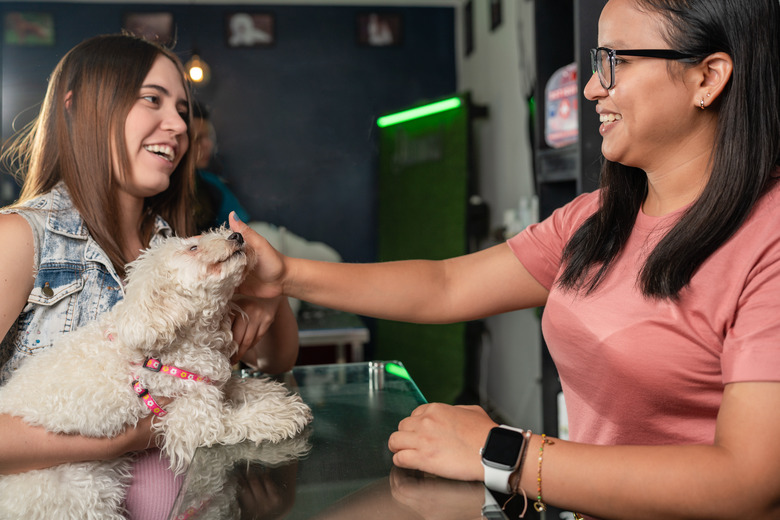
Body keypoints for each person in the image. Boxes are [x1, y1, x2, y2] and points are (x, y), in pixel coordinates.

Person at [228, 0, 780, 518]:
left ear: (708, 77)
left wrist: (506, 453)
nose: (590, 87)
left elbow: (747, 481)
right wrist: (287, 274)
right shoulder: (599, 216)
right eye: (595, 62)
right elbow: (445, 285)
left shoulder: (769, 236)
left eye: (615, 61)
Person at [0, 33, 297, 519]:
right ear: (76, 108)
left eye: (182, 109)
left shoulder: (178, 249)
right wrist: (111, 439)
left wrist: (271, 288)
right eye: (151, 100)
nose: (178, 125)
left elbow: (275, 357)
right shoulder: (18, 238)